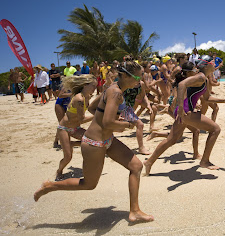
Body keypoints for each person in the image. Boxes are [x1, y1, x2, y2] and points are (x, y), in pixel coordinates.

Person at [34, 61, 154, 223]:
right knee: (88, 184)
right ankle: (50, 186)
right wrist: (127, 124)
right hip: (94, 144)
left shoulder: (112, 89)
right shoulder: (115, 93)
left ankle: (134, 211)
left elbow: (92, 109)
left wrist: (108, 117)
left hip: (107, 140)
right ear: (125, 75)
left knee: (136, 166)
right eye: (136, 77)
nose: (139, 81)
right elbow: (107, 123)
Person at [143, 55, 225, 176]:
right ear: (207, 65)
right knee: (215, 129)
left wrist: (224, 100)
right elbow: (182, 85)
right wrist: (181, 107)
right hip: (186, 111)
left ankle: (149, 162)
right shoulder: (201, 77)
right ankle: (205, 161)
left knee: (171, 140)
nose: (215, 64)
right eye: (213, 62)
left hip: (183, 111)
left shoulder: (205, 79)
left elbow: (207, 98)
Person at [55, 75, 96, 180]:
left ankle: (73, 144)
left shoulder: (87, 97)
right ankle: (59, 171)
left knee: (92, 141)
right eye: (93, 86)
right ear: (85, 85)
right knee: (68, 157)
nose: (95, 89)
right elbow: (82, 119)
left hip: (75, 129)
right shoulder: (79, 98)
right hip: (64, 128)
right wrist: (97, 115)